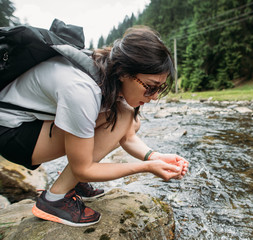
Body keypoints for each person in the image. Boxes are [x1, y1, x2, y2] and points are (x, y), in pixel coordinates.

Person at [0, 26, 189, 227]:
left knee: (130, 119)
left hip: (31, 122)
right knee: (124, 115)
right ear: (125, 72)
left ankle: (71, 182)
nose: (155, 96)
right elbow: (84, 168)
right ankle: (55, 199)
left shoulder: (106, 72)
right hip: (12, 133)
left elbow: (126, 135)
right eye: (150, 87)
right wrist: (147, 167)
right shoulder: (82, 89)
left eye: (161, 87)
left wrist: (155, 156)